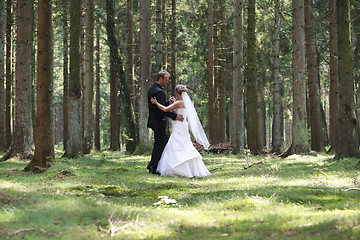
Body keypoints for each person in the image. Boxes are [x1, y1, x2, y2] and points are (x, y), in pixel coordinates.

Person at [150, 84, 210, 178]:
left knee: (176, 143)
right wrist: (174, 102)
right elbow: (179, 109)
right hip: (183, 125)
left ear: (176, 92)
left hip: (178, 126)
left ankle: (175, 168)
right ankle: (191, 168)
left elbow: (165, 109)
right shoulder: (186, 103)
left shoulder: (178, 103)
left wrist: (156, 103)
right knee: (185, 144)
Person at [147, 70, 184, 174]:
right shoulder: (159, 92)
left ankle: (155, 165)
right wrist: (175, 116)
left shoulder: (152, 89)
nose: (167, 82)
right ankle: (153, 168)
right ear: (160, 79)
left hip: (155, 121)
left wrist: (168, 102)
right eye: (166, 80)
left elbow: (161, 105)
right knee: (160, 145)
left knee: (163, 144)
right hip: (158, 122)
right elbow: (163, 110)